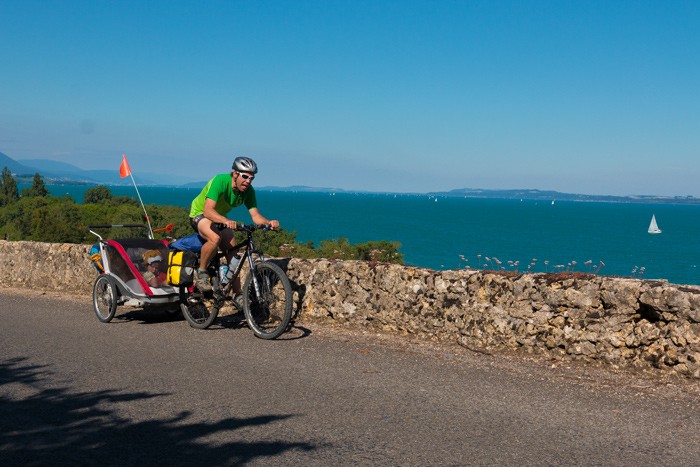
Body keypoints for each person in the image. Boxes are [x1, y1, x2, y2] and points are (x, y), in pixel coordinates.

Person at [188, 156, 279, 292]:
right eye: (245, 176)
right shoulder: (220, 181)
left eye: (251, 178)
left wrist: (268, 223)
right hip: (200, 214)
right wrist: (225, 220)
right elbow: (208, 211)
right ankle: (201, 272)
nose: (248, 181)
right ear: (235, 174)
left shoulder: (248, 191)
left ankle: (238, 295)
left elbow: (255, 216)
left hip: (219, 218)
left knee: (233, 257)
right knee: (215, 238)